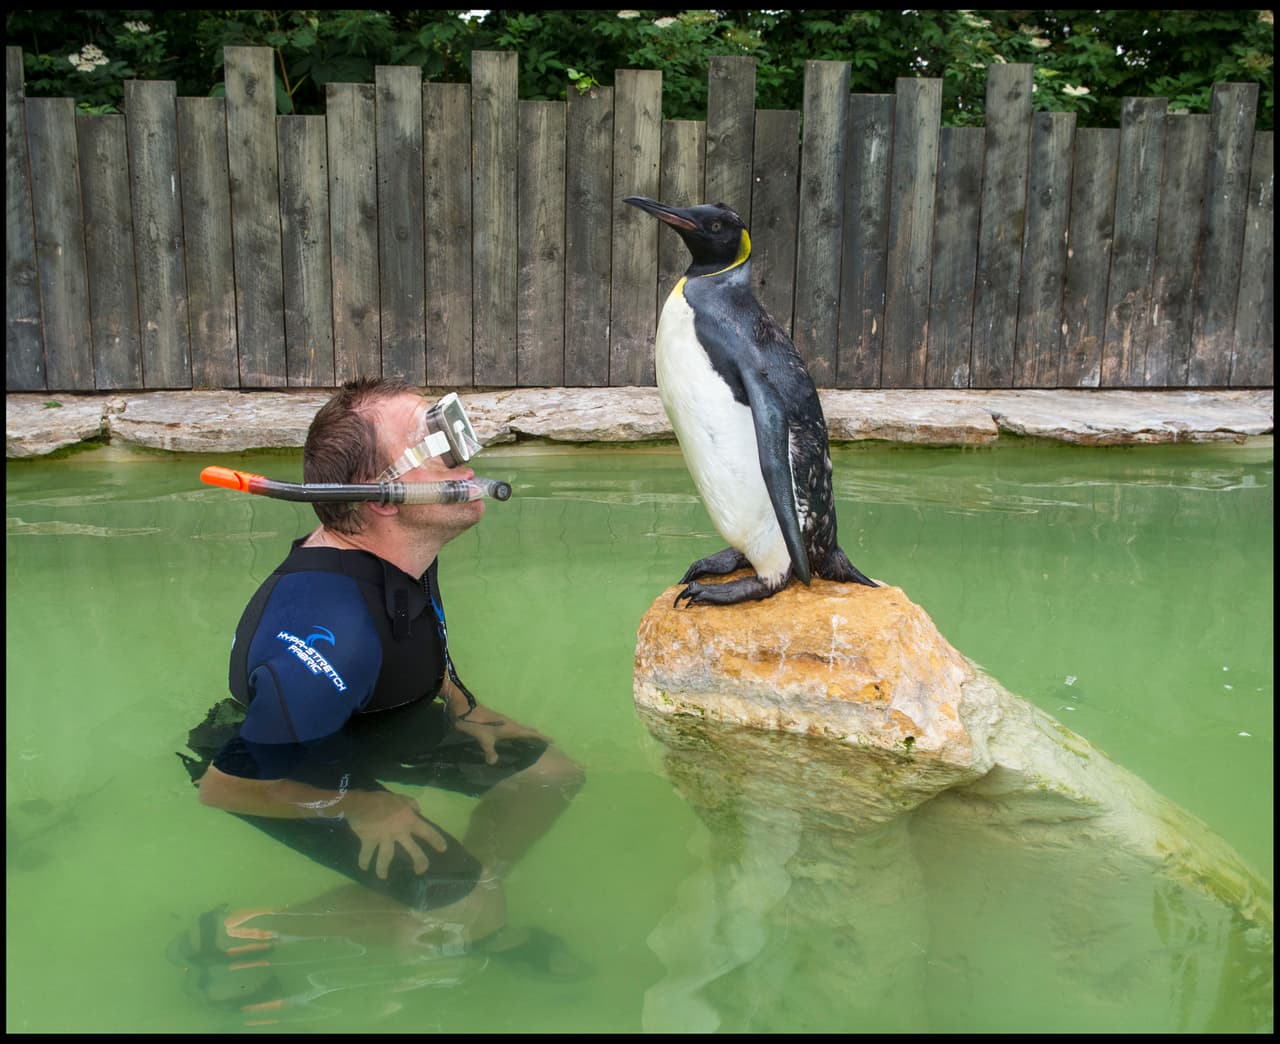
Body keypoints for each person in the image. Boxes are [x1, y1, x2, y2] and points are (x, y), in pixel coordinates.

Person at [174, 377, 587, 1016]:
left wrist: (459, 701)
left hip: (378, 717)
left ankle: (460, 894)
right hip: (287, 760)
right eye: (433, 443)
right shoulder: (335, 636)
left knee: (549, 776)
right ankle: (252, 929)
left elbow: (415, 624)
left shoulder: (405, 549)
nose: (462, 458)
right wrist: (359, 804)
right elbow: (223, 786)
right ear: (384, 500)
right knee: (464, 906)